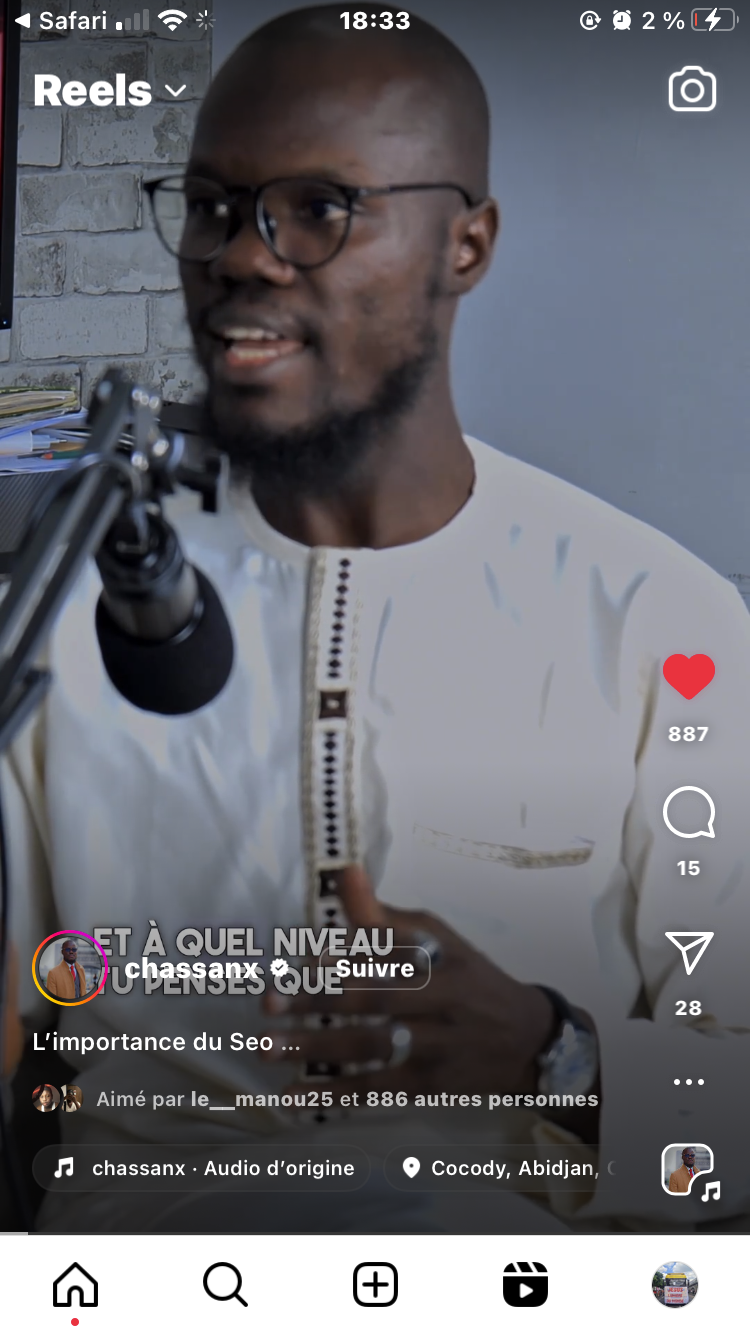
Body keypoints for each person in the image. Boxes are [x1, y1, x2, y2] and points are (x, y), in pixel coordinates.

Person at [5, 6, 750, 1234]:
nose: (242, 257)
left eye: (318, 208)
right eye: (212, 206)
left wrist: (554, 1054)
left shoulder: (657, 621)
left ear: (467, 244)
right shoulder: (65, 603)